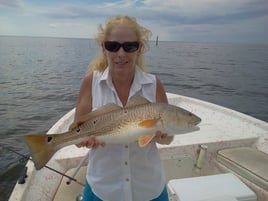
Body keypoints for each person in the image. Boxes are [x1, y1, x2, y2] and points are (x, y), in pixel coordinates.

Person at [74, 15, 174, 201]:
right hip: (103, 189)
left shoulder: (154, 84)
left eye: (129, 46)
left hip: (148, 189)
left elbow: (166, 138)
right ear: (103, 48)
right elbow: (77, 136)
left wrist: (165, 136)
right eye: (113, 46)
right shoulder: (90, 82)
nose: (121, 53)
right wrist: (84, 141)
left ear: (139, 49)